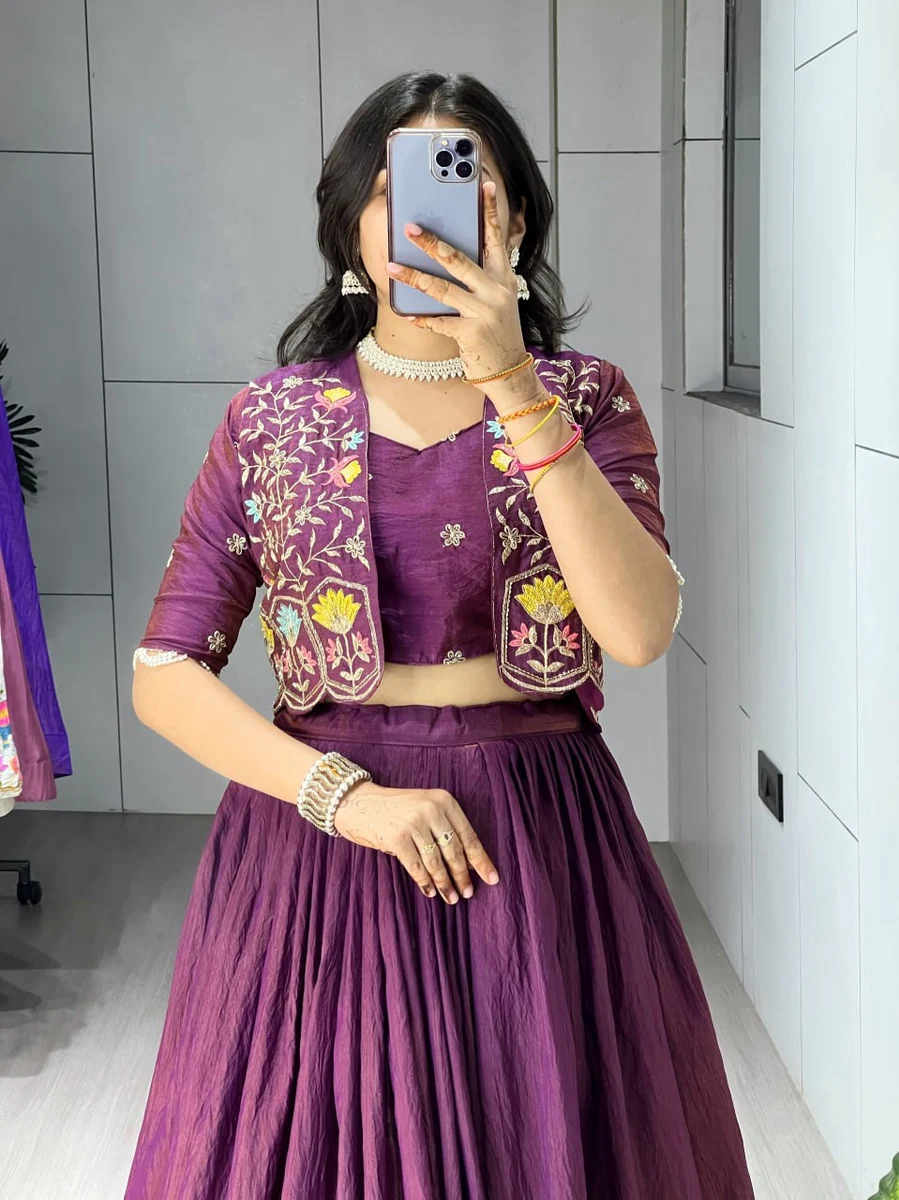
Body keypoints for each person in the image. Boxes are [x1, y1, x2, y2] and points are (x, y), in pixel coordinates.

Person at [125, 72, 754, 1200]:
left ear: (514, 221)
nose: (421, 219)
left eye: (466, 185)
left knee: (544, 1139)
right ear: (349, 229)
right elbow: (165, 672)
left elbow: (639, 630)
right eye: (390, 190)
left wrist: (508, 375)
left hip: (541, 842)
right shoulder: (270, 418)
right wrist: (347, 800)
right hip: (321, 849)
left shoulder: (584, 397)